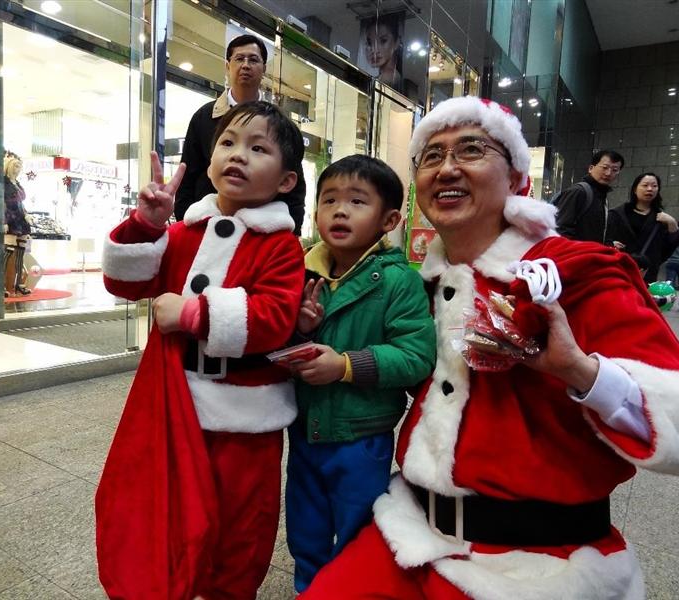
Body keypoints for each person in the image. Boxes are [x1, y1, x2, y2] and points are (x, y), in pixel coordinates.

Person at [301, 96, 679, 599]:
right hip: (407, 532)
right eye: (431, 156)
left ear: (514, 177)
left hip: (538, 566)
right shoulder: (418, 286)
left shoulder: (575, 273)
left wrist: (581, 371)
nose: (447, 168)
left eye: (471, 149)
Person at [96, 101, 306, 600]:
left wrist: (193, 314)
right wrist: (145, 225)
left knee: (240, 524)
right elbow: (125, 283)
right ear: (209, 162)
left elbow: (274, 317)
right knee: (163, 510)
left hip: (245, 420)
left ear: (286, 181)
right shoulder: (182, 233)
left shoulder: (281, 245)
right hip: (174, 405)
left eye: (258, 149)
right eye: (228, 143)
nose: (238, 155)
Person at [286, 155, 436, 592]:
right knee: (305, 527)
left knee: (356, 530)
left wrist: (345, 365)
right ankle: (309, 590)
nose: (340, 211)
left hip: (362, 437)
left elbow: (416, 357)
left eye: (357, 201)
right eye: (329, 200)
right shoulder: (304, 270)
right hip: (306, 431)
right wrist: (301, 329)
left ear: (389, 220)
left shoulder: (398, 281)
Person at [174, 33, 306, 234]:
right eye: (239, 59)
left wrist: (291, 231)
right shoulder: (204, 117)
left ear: (264, 69)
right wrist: (187, 226)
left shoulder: (280, 125)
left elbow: (295, 189)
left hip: (260, 235)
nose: (245, 65)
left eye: (253, 60)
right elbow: (187, 176)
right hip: (206, 229)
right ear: (227, 66)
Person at [605, 172, 679, 284]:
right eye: (645, 185)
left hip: (646, 272)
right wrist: (611, 244)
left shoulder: (661, 219)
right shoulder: (617, 214)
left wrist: (672, 223)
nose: (650, 189)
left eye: (654, 186)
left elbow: (668, 248)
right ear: (635, 189)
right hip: (619, 268)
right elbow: (603, 238)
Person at [554, 149, 624, 243]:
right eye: (604, 167)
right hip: (576, 252)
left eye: (614, 170)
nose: (608, 173)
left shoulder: (601, 196)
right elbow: (561, 229)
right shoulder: (579, 192)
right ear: (591, 168)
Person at [3, 156, 32, 295]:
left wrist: (26, 214)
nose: (18, 169)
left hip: (21, 219)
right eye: (15, 166)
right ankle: (1, 285)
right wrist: (3, 221)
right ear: (8, 166)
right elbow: (1, 203)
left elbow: (21, 203)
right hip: (10, 218)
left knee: (20, 253)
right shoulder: (3, 183)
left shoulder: (17, 184)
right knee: (7, 252)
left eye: (19, 166)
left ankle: (19, 284)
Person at [362, 14, 403, 90]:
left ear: (397, 42)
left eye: (383, 41)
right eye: (370, 43)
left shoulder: (389, 76)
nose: (374, 50)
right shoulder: (387, 76)